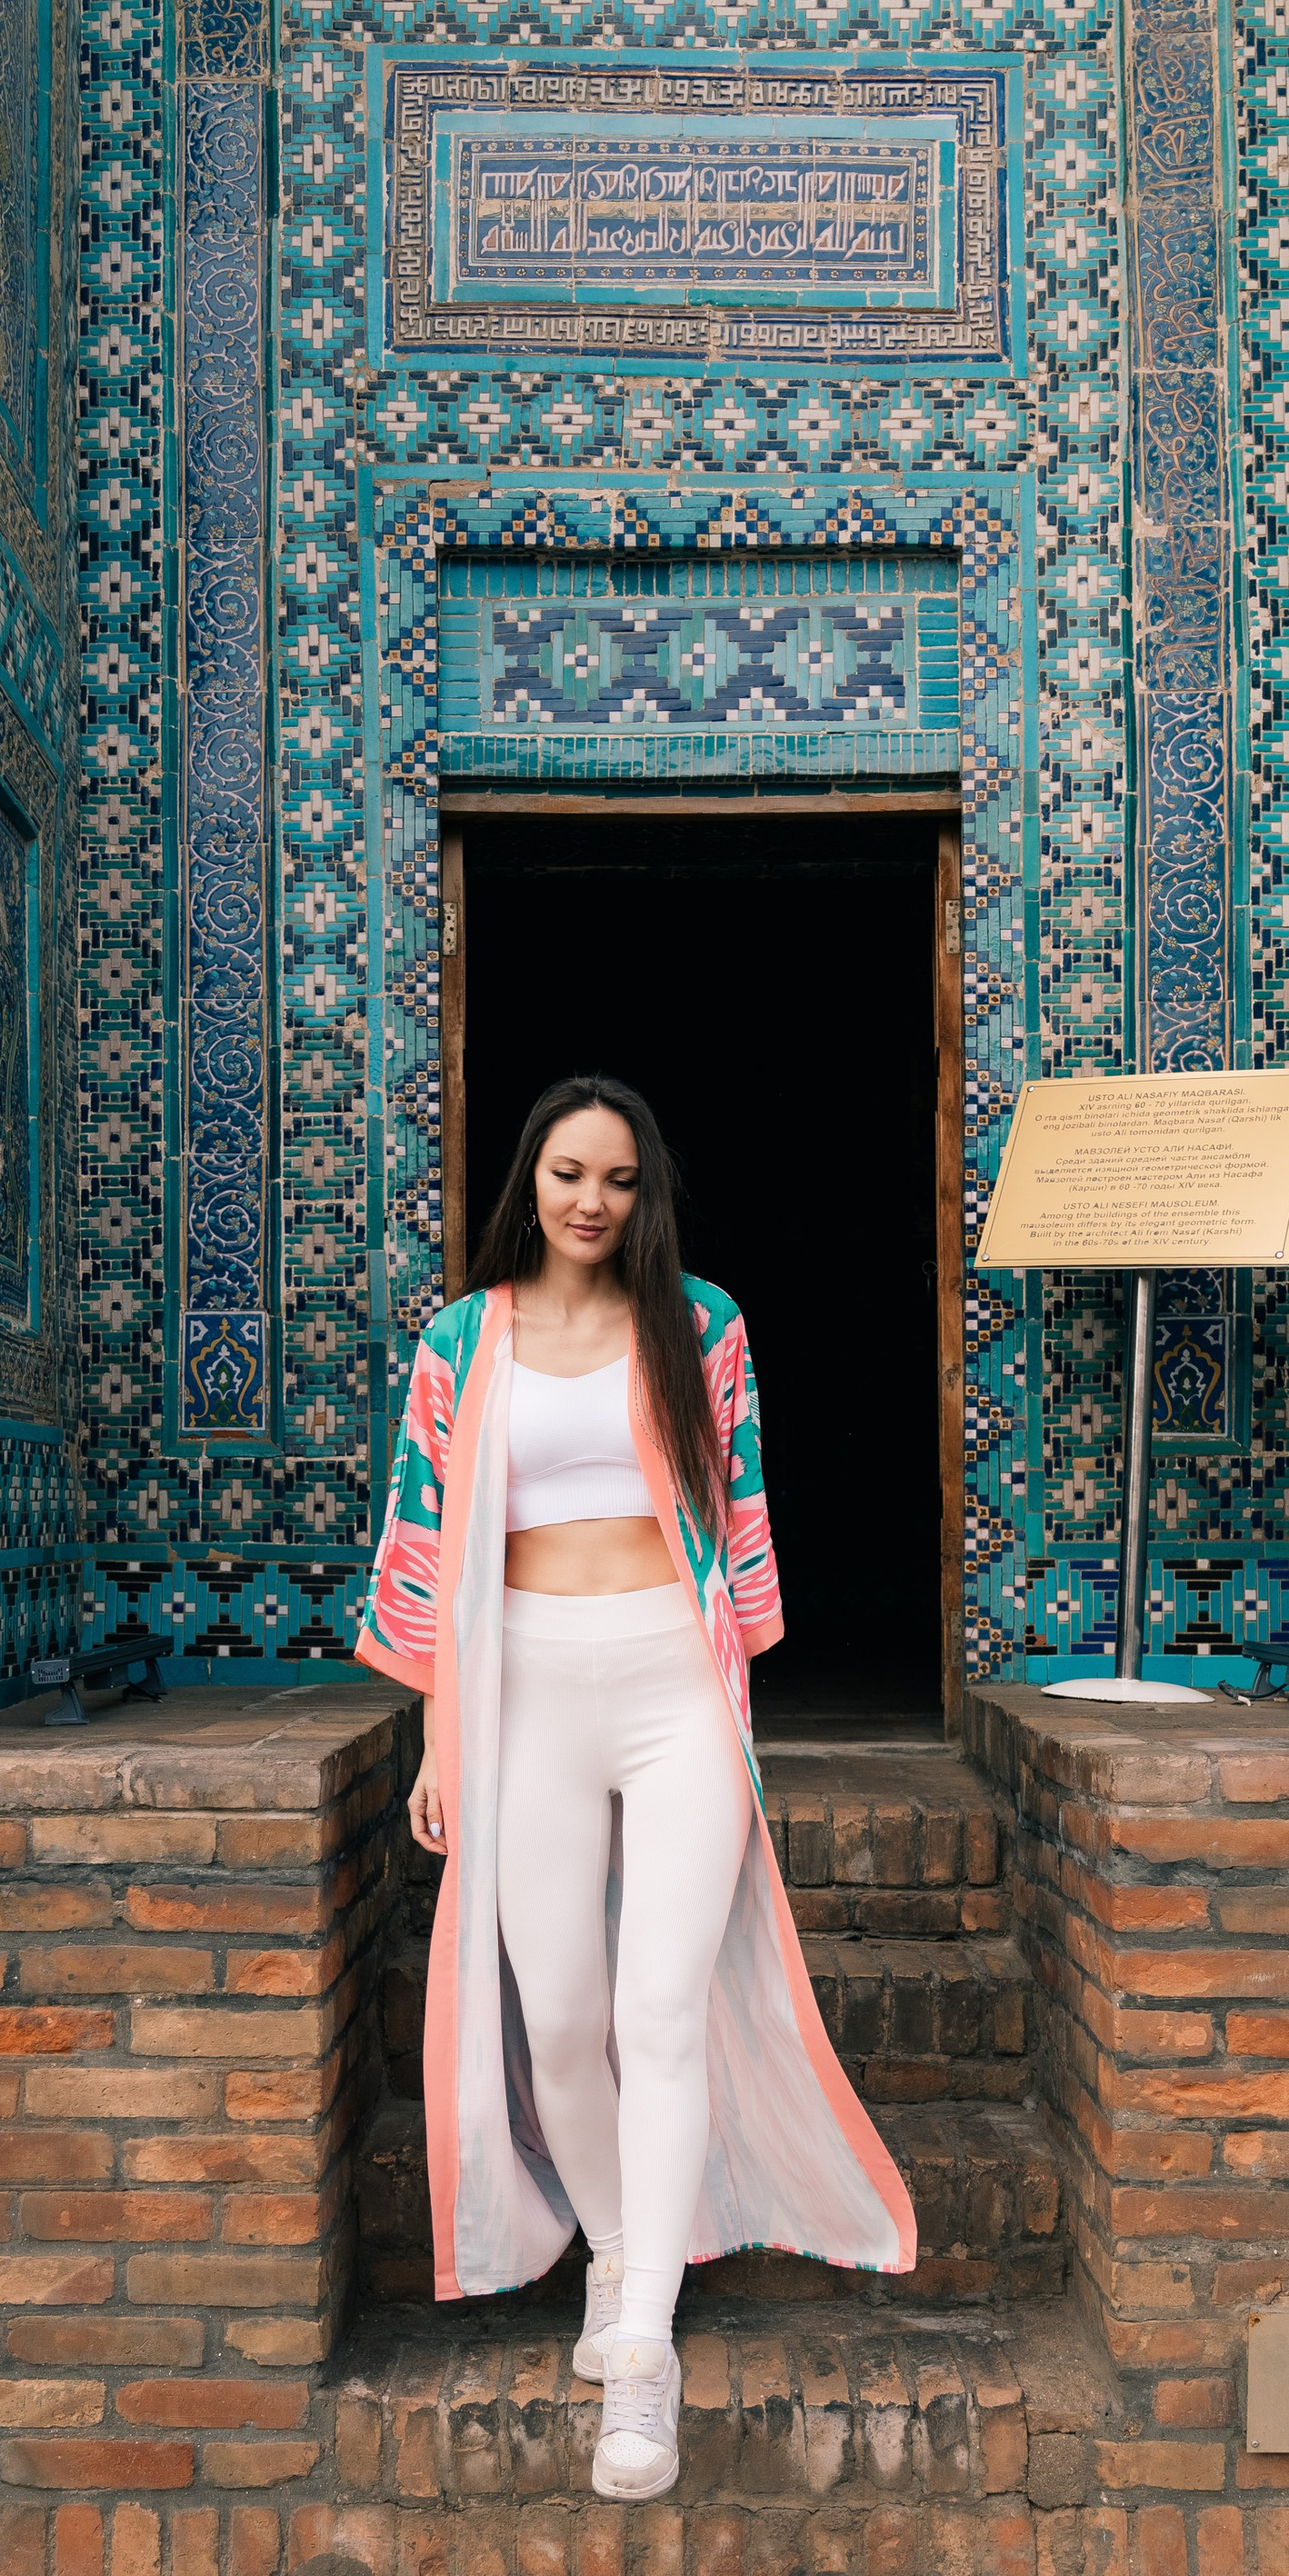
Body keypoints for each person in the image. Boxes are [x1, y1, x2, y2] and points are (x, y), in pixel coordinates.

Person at [355, 1073, 914, 2502]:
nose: (590, 1200)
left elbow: (738, 1515)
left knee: (663, 2010)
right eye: (565, 1173)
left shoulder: (703, 1324)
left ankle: (646, 2351)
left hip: (672, 1685)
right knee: (566, 2018)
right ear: (528, 1184)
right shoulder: (460, 1339)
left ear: (644, 1192)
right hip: (524, 1692)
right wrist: (436, 1733)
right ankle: (615, 2248)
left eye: (615, 1176)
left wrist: (737, 1702)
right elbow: (423, 1535)